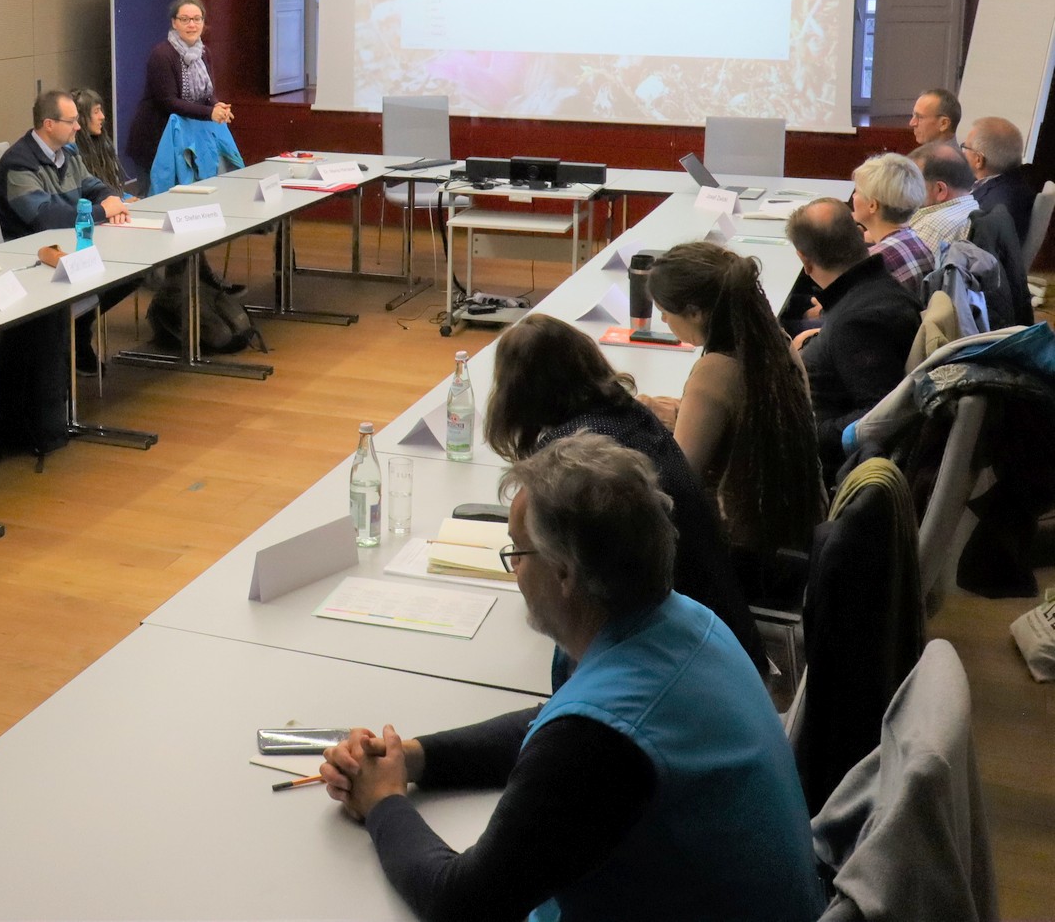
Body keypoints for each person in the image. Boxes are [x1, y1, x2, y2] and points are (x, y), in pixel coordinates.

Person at [319, 434, 822, 922]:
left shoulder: (597, 741)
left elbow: (463, 903)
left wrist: (382, 802)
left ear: (565, 572)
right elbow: (551, 724)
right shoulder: (687, 622)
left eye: (518, 551)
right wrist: (411, 758)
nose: (513, 568)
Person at [484, 313, 763, 671]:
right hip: (715, 634)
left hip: (671, 657)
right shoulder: (629, 414)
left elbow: (569, 587)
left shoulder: (577, 462)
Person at [638, 242, 824, 592]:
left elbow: (676, 482)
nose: (663, 320)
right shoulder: (775, 341)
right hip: (793, 527)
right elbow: (747, 418)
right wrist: (681, 412)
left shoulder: (714, 372)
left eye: (665, 311)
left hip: (742, 558)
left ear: (695, 312)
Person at [0, 91, 136, 375]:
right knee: (112, 272)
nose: (79, 127)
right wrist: (102, 212)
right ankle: (64, 348)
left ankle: (76, 334)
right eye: (71, 121)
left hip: (69, 247)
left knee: (133, 271)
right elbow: (45, 218)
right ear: (48, 124)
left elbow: (95, 186)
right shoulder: (19, 164)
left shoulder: (68, 153)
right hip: (34, 261)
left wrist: (112, 200)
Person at [786, 199, 921, 474]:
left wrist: (797, 432)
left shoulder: (856, 324)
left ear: (804, 260)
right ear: (860, 235)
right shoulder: (878, 286)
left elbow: (878, 415)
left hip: (816, 465)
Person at [125, 0, 234, 177]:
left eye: (197, 19)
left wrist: (216, 105)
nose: (191, 24)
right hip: (156, 138)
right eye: (185, 19)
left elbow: (207, 94)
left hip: (187, 137)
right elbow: (168, 102)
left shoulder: (204, 53)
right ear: (174, 23)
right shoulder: (162, 54)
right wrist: (209, 113)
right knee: (158, 198)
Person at [850, 152, 934, 293]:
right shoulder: (917, 241)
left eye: (857, 192)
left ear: (872, 205)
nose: (853, 196)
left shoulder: (873, 263)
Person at [964, 116, 1037, 244]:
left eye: (965, 147)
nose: (963, 153)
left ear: (978, 160)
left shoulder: (989, 209)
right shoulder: (1015, 184)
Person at [908, 140, 980, 256]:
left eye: (915, 183)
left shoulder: (932, 226)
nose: (908, 191)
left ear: (940, 189)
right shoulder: (974, 206)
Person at [73, 88, 135, 196]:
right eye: (96, 111)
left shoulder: (102, 144)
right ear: (80, 118)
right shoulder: (71, 155)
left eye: (100, 110)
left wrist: (123, 198)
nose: (102, 116)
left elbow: (112, 187)